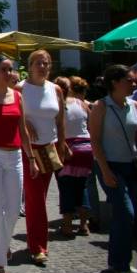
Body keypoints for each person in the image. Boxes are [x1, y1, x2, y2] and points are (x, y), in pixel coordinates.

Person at [0, 54, 37, 273]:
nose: (9, 73)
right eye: (4, 69)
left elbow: (23, 130)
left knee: (14, 208)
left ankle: (2, 243)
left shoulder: (17, 96)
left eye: (11, 69)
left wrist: (31, 158)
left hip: (15, 155)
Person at [89, 64, 137, 273]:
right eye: (129, 80)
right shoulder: (101, 107)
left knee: (130, 215)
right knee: (125, 213)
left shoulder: (135, 105)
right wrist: (106, 171)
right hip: (109, 165)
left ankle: (121, 261)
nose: (134, 83)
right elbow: (95, 141)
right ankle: (119, 265)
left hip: (132, 165)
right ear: (114, 83)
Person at [18, 49, 66, 265]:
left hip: (50, 147)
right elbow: (10, 112)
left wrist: (63, 143)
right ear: (29, 66)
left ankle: (34, 240)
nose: (43, 66)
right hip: (29, 149)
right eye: (38, 62)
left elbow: (61, 119)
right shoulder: (20, 89)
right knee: (35, 198)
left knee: (41, 196)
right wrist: (24, 122)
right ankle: (38, 246)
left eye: (46, 63)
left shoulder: (55, 89)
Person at [56, 76, 93, 237]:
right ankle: (84, 225)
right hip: (86, 148)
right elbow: (91, 126)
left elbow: (57, 129)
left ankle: (67, 225)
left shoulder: (58, 106)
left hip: (68, 148)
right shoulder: (82, 104)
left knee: (66, 188)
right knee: (82, 186)